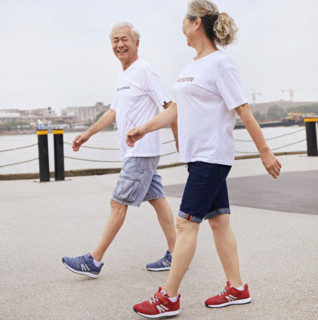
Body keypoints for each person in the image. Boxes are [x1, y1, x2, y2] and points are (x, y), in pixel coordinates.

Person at [126, 0, 282, 318]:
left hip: (212, 156)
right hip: (197, 156)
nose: (180, 26)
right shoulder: (192, 65)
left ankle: (167, 297)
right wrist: (144, 127)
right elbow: (175, 110)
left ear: (197, 22)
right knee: (219, 223)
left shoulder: (220, 65)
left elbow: (243, 110)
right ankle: (237, 288)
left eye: (184, 20)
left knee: (185, 225)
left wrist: (264, 151)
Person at [62, 22, 177, 278]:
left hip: (142, 151)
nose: (119, 45)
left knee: (117, 203)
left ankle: (93, 260)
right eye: (114, 40)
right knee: (158, 200)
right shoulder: (124, 75)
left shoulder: (145, 70)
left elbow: (170, 107)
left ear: (137, 43)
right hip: (134, 151)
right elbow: (114, 111)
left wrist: (173, 140)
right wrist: (88, 134)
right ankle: (176, 253)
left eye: (124, 39)